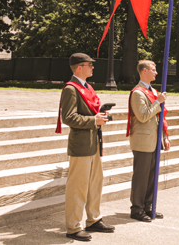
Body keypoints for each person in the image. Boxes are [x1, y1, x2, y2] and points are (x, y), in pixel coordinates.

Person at [56, 53, 115, 241]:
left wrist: (101, 114)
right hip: (81, 144)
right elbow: (68, 117)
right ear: (78, 67)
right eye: (89, 65)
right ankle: (73, 227)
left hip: (93, 142)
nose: (93, 67)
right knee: (78, 187)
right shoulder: (71, 89)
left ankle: (93, 219)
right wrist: (93, 119)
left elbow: (90, 111)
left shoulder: (87, 86)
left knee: (95, 184)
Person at [127, 60, 170, 222]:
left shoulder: (152, 91)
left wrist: (165, 137)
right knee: (141, 176)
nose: (156, 72)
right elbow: (143, 115)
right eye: (153, 69)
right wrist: (158, 102)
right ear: (144, 71)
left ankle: (148, 206)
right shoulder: (138, 92)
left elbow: (160, 117)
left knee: (152, 175)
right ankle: (137, 208)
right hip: (143, 140)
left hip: (154, 139)